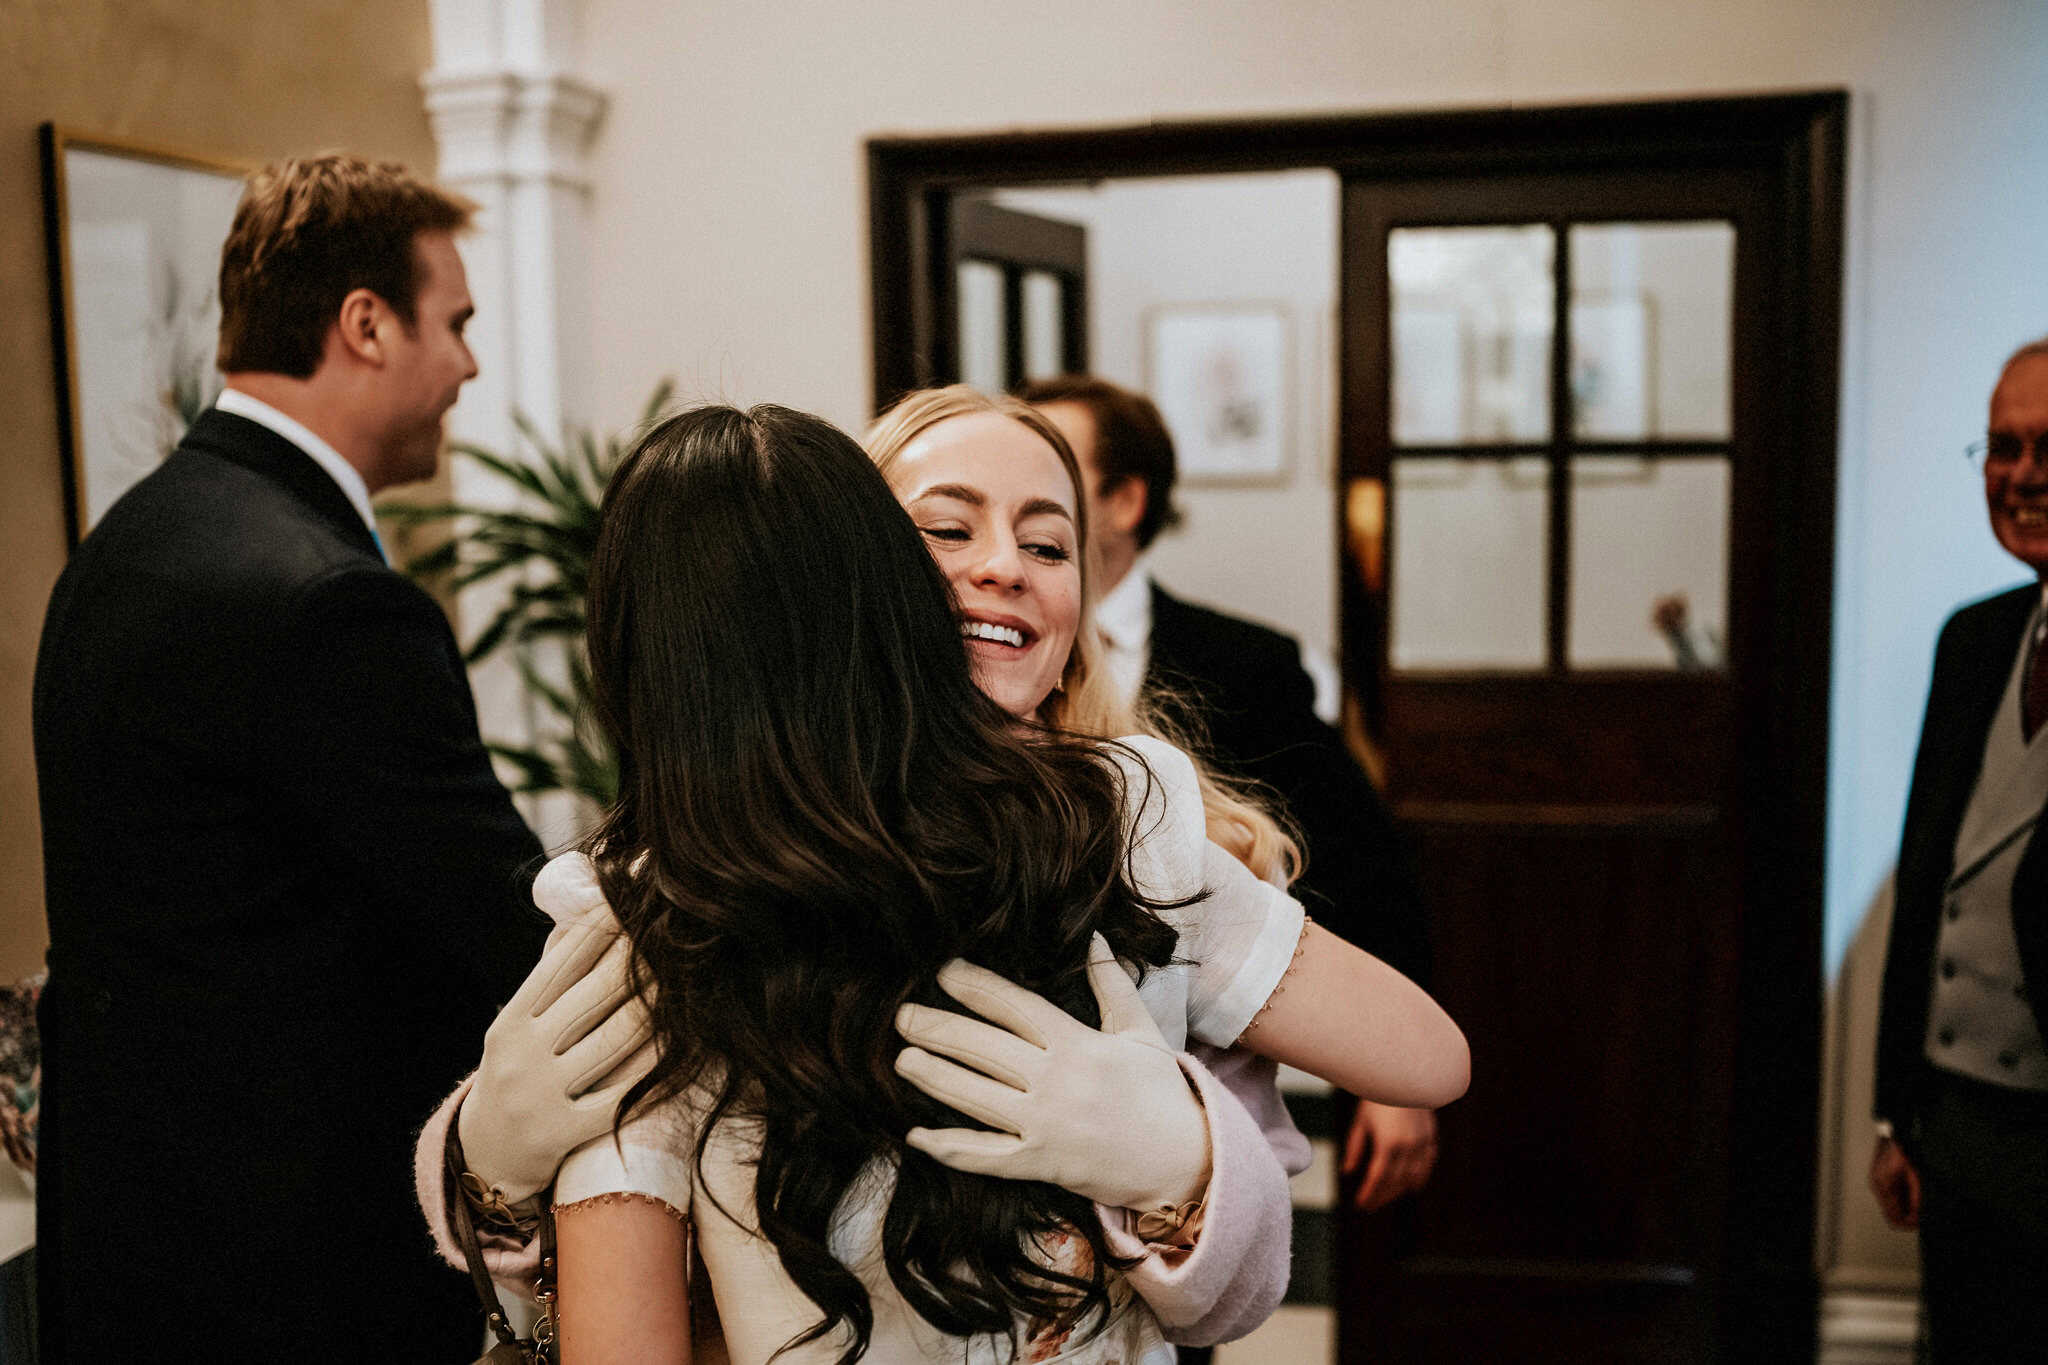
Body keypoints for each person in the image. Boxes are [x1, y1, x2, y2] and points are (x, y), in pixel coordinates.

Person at [416, 388, 1336, 1354]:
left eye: (1048, 543)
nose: (998, 570)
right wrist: (484, 1159)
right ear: (871, 593)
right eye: (944, 530)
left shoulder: (1139, 836)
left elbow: (1232, 1286)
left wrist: (1184, 1156)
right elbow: (593, 1209)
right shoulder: (667, 929)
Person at [30, 154, 549, 1358]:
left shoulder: (130, 541)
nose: (468, 363)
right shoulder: (326, 600)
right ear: (365, 324)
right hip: (294, 1266)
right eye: (456, 322)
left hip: (129, 1232)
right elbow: (491, 923)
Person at [1019, 375, 1440, 1221]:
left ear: (1125, 499)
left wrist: (1392, 1081)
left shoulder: (1247, 665)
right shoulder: (970, 656)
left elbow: (1363, 858)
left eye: (1056, 467)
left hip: (1186, 1120)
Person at [1870, 339, 2048, 1362]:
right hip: (1954, 1126)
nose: (2020, 476)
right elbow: (1927, 877)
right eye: (2001, 446)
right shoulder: (1973, 639)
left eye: (2045, 448)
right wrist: (1895, 1115)